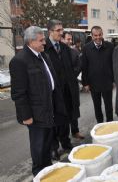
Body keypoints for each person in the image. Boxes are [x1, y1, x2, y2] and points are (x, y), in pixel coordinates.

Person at [9, 26, 66, 176]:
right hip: (35, 114)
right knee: (39, 147)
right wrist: (25, 116)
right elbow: (18, 93)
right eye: (41, 40)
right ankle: (39, 174)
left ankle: (47, 172)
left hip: (49, 109)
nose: (44, 43)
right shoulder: (19, 61)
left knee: (47, 145)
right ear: (31, 41)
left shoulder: (43, 55)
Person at [44, 20, 80, 158]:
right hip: (52, 92)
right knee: (53, 121)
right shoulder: (44, 48)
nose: (61, 33)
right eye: (58, 30)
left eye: (61, 30)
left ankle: (65, 143)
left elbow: (71, 69)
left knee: (66, 118)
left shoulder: (64, 48)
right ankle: (53, 147)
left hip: (66, 90)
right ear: (50, 32)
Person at [81, 26, 114, 123]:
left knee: (109, 106)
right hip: (93, 83)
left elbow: (113, 64)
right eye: (95, 35)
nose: (98, 37)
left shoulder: (110, 46)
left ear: (102, 34)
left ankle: (110, 124)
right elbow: (84, 67)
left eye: (100, 35)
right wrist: (85, 83)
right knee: (97, 106)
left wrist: (114, 80)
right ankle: (100, 124)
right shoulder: (86, 48)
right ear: (92, 36)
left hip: (107, 82)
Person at [61, 32, 84, 139]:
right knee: (64, 112)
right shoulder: (57, 52)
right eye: (67, 39)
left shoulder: (74, 52)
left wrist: (70, 75)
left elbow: (79, 66)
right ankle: (63, 137)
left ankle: (75, 131)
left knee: (74, 109)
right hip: (61, 87)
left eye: (71, 39)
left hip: (72, 85)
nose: (69, 41)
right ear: (62, 39)